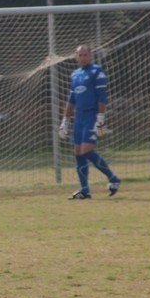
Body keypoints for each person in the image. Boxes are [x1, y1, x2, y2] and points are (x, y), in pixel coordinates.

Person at [59, 45, 121, 199]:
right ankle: (84, 190)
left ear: (90, 55)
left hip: (91, 116)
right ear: (76, 56)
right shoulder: (75, 74)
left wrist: (100, 118)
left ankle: (113, 178)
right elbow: (71, 99)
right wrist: (65, 121)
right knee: (78, 153)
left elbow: (102, 96)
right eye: (80, 55)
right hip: (78, 117)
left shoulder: (97, 71)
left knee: (86, 150)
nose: (83, 57)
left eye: (85, 54)